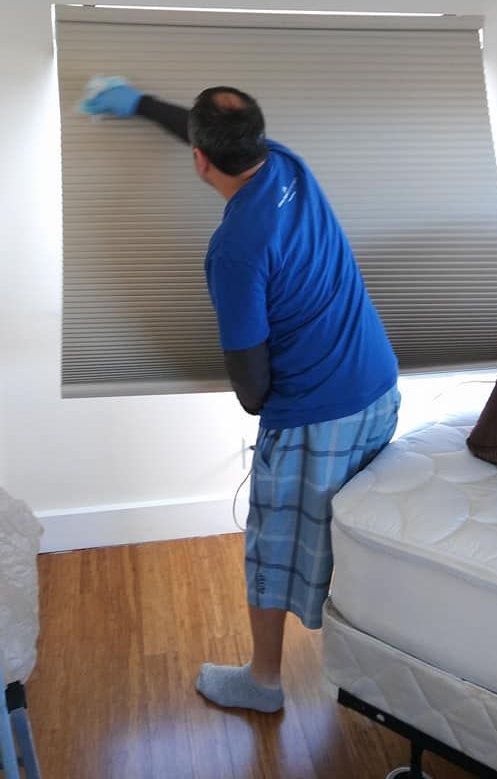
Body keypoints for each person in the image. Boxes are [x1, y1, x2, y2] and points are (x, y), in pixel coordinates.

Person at [82, 80, 400, 714]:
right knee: (359, 539)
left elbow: (252, 391)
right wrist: (142, 104)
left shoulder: (235, 250)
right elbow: (213, 137)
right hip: (380, 387)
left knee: (274, 546)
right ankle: (378, 666)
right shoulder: (287, 165)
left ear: (200, 160)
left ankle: (262, 682)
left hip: (319, 418)